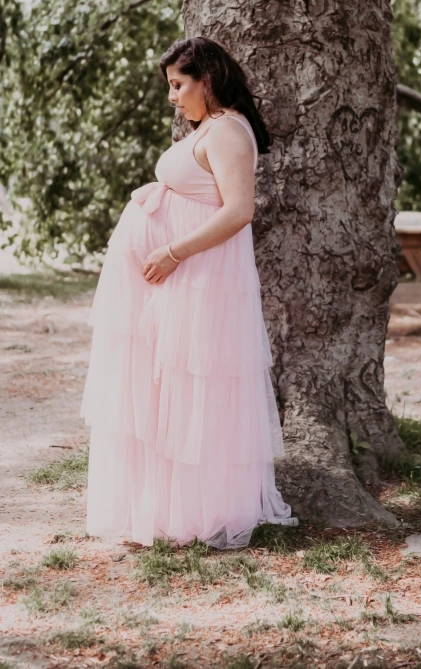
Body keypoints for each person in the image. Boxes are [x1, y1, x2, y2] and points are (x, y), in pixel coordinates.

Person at [80, 36, 298, 549]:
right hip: (179, 282)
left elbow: (238, 210)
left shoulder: (227, 132)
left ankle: (194, 513)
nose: (173, 97)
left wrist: (173, 251)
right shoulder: (213, 129)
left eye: (179, 85)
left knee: (192, 396)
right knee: (167, 395)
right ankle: (166, 508)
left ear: (208, 80)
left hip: (196, 279)